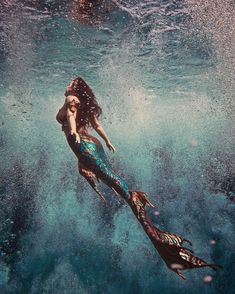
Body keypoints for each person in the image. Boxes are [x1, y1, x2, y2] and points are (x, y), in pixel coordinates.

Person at [56, 76, 222, 280]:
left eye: (69, 83)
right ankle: (150, 225)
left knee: (119, 187)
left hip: (84, 147)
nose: (67, 86)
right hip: (89, 146)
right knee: (114, 182)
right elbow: (96, 125)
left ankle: (139, 205)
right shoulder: (78, 101)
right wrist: (107, 141)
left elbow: (72, 118)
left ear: (74, 88)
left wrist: (73, 132)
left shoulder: (71, 99)